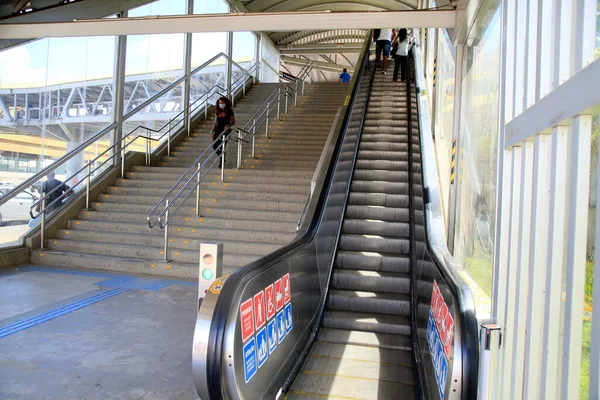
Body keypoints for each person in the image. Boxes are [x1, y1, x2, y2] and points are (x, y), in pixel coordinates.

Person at [211, 96, 235, 168]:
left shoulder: (229, 111)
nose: (221, 104)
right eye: (219, 103)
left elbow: (233, 122)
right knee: (215, 146)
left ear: (225, 103)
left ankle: (221, 162)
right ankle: (222, 158)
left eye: (222, 103)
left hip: (225, 131)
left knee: (222, 146)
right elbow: (215, 122)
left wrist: (228, 125)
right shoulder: (218, 111)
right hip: (217, 130)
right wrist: (212, 131)